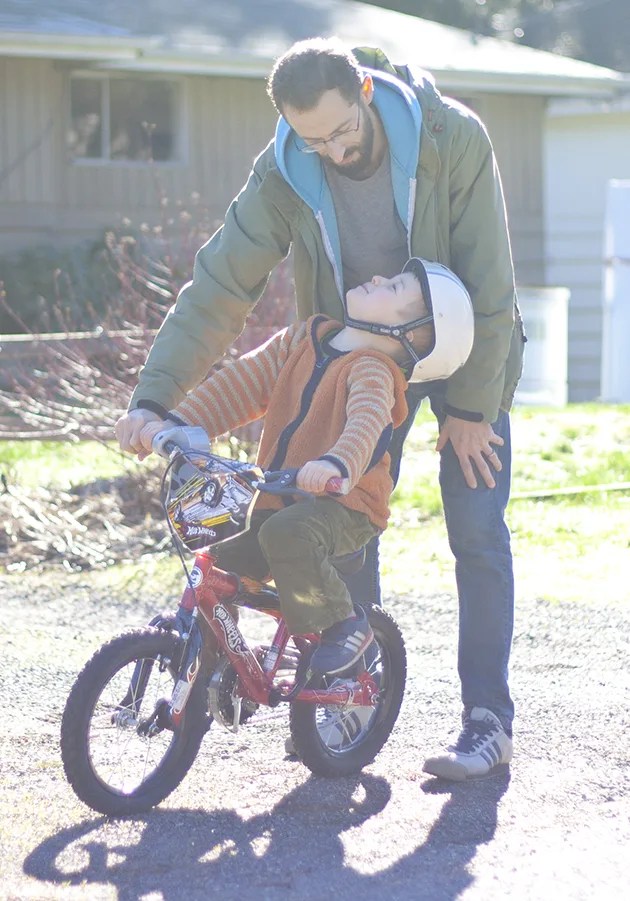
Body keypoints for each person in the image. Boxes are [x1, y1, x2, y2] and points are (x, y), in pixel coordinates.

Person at [115, 37, 525, 780]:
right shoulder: (284, 170)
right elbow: (219, 286)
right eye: (313, 139)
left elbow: (491, 284)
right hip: (353, 348)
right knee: (335, 517)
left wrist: (472, 406)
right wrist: (156, 399)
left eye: (342, 131)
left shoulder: (449, 137)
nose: (332, 150)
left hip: (457, 340)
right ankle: (339, 701)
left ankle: (486, 719)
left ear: (364, 92)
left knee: (476, 523)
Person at [137, 259, 473, 677]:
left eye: (395, 285)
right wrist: (177, 424)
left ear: (407, 332)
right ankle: (212, 668)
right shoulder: (302, 340)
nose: (375, 275)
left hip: (344, 503)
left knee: (288, 533)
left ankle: (344, 625)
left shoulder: (373, 371)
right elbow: (240, 384)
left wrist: (336, 464)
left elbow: (366, 425)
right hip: (278, 493)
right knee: (219, 555)